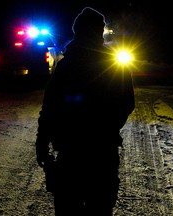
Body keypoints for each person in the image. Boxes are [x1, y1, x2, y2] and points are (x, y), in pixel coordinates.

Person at [35, 7, 135, 216]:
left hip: (70, 153)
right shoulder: (115, 65)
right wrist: (107, 127)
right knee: (100, 208)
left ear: (76, 32)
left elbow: (50, 108)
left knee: (67, 208)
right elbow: (127, 103)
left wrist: (42, 143)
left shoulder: (65, 66)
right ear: (99, 33)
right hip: (102, 153)